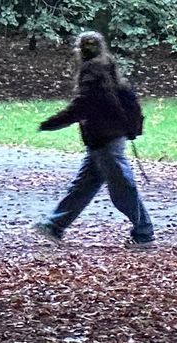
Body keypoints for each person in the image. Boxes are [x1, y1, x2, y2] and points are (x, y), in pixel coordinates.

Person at [33, 31, 156, 247]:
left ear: (79, 50)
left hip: (105, 140)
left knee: (122, 189)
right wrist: (132, 128)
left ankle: (144, 233)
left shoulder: (92, 73)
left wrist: (52, 123)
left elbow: (82, 105)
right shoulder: (109, 67)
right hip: (105, 139)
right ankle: (55, 225)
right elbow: (129, 100)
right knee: (83, 186)